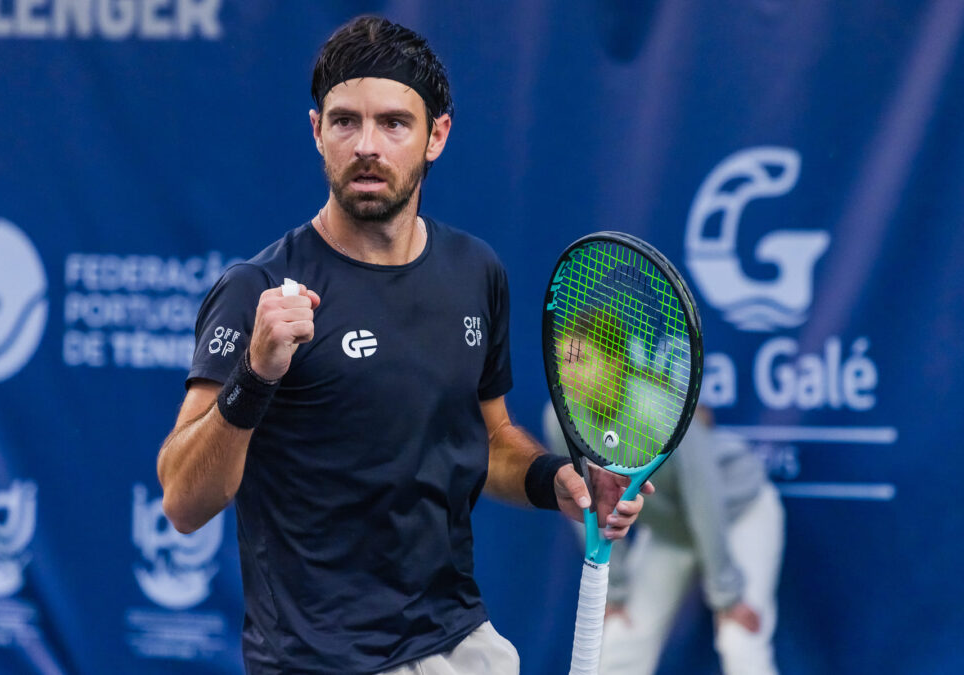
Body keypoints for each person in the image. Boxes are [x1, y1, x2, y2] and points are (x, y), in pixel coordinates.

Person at [156, 16, 651, 675]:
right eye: (344, 122)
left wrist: (553, 478)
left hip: (460, 640)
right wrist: (255, 373)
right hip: (323, 661)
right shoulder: (258, 291)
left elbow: (489, 436)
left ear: (435, 136)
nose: (367, 145)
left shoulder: (477, 272)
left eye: (393, 123)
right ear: (316, 132)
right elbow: (183, 502)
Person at [544, 403, 785, 675]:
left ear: (616, 361)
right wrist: (614, 591)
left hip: (739, 513)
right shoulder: (560, 418)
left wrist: (727, 596)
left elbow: (704, 500)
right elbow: (589, 506)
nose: (570, 372)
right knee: (621, 635)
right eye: (564, 361)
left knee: (739, 639)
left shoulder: (660, 408)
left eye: (584, 358)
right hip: (672, 532)